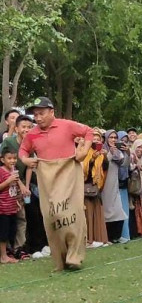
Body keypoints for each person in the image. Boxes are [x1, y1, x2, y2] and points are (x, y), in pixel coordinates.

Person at [19, 97, 94, 271]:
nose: (38, 118)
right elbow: (23, 149)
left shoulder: (66, 125)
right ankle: (60, 258)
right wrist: (25, 159)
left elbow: (89, 131)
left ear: (51, 112)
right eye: (35, 115)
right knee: (52, 216)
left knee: (71, 214)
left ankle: (74, 256)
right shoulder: (32, 134)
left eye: (41, 113)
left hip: (69, 174)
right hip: (47, 179)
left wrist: (83, 150)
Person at [1, 115, 34, 259]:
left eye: (29, 127)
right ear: (17, 128)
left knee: (21, 217)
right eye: (23, 127)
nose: (26, 130)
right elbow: (8, 164)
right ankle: (6, 248)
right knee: (7, 219)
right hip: (9, 185)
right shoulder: (9, 141)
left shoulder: (30, 144)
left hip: (21, 186)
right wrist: (20, 184)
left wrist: (26, 186)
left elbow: (29, 166)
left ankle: (19, 247)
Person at [0, 147, 24, 264]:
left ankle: (9, 253)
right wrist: (8, 180)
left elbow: (12, 190)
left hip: (12, 208)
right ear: (2, 159)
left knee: (11, 231)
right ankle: (3, 256)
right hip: (2, 209)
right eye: (9, 158)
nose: (12, 161)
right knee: (3, 234)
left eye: (14, 158)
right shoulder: (1, 171)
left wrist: (16, 202)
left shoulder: (13, 172)